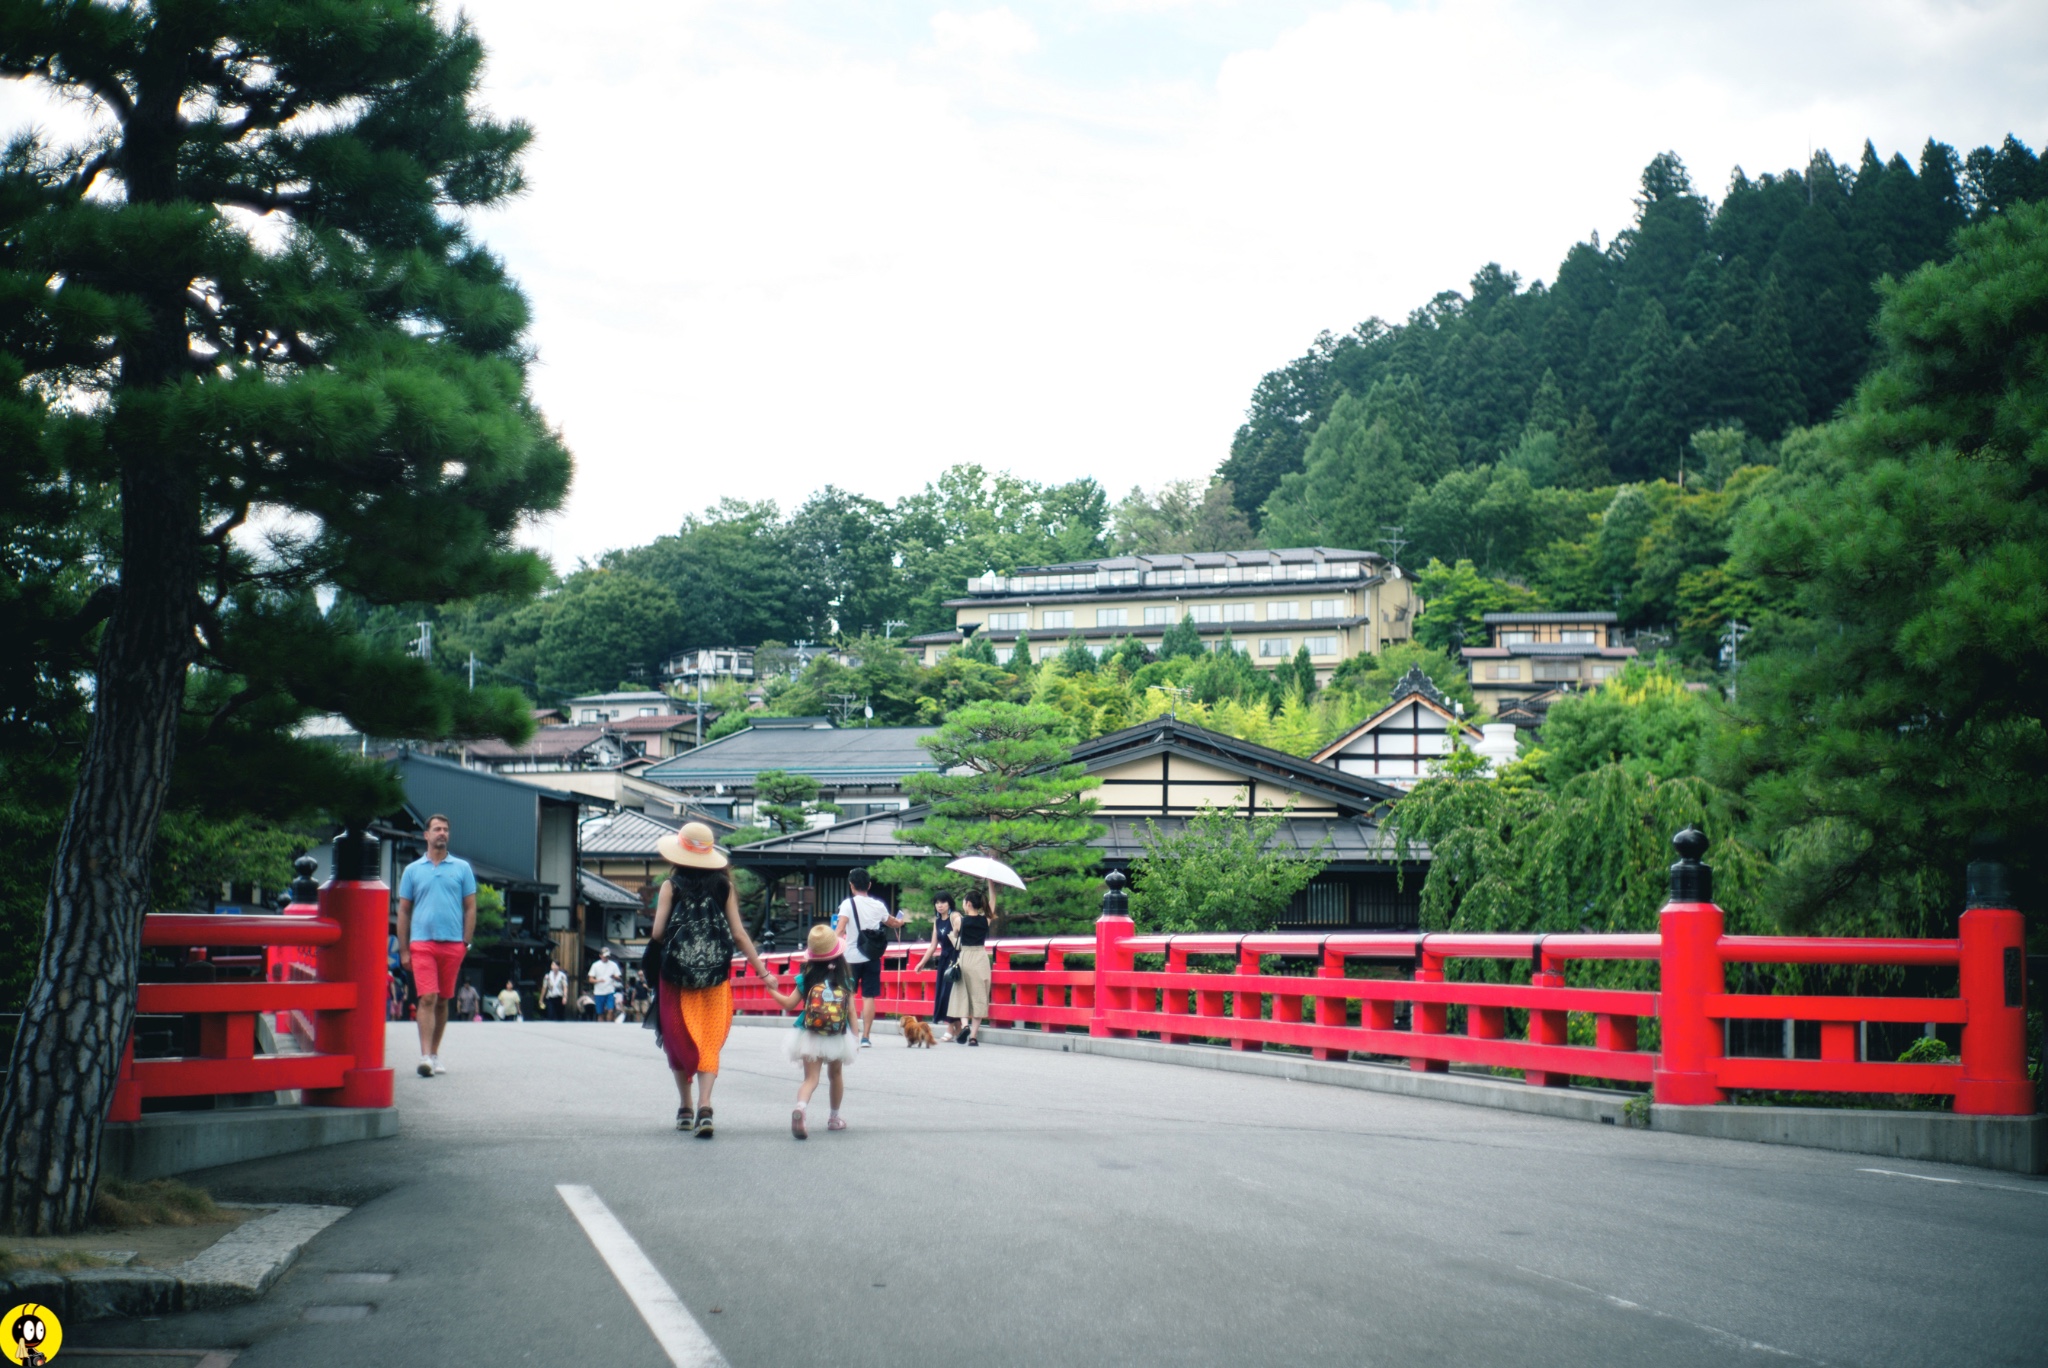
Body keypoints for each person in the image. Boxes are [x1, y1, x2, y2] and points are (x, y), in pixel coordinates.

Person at [649, 821, 771, 1138]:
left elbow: (658, 933)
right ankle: (705, 1105)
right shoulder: (723, 887)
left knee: (679, 1040)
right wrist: (763, 972)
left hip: (676, 980)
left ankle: (685, 1107)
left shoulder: (670, 887)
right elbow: (740, 935)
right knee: (709, 1039)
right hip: (715, 979)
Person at [395, 813, 477, 1077]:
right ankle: (425, 1056)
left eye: (445, 829)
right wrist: (404, 948)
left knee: (443, 1000)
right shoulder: (412, 870)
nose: (442, 833)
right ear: (426, 835)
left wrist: (466, 942)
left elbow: (470, 907)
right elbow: (404, 912)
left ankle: (435, 1053)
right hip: (422, 944)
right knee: (428, 997)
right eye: (437, 829)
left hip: (453, 944)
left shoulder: (462, 868)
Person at [761, 923, 857, 1139]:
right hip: (837, 1033)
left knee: (811, 1079)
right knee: (836, 1075)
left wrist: (771, 990)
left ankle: (801, 1108)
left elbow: (788, 1004)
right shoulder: (845, 979)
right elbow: (851, 1011)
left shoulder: (806, 978)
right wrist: (856, 1037)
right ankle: (834, 1118)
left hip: (810, 1033)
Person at [834, 867, 902, 1049]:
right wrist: (900, 921)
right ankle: (865, 1037)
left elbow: (840, 930)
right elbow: (892, 922)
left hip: (850, 958)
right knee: (869, 996)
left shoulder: (847, 904)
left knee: (848, 996)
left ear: (851, 885)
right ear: (869, 885)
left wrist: (831, 948)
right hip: (872, 957)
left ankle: (851, 1035)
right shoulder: (878, 905)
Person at [949, 885, 995, 1047]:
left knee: (962, 994)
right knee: (979, 996)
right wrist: (991, 886)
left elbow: (954, 935)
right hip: (981, 959)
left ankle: (965, 1025)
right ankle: (974, 1037)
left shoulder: (960, 921)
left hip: (966, 957)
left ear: (968, 904)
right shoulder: (985, 920)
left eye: (963, 902)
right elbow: (993, 903)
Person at [915, 893, 959, 1037]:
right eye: (937, 903)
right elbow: (933, 946)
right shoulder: (937, 921)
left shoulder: (955, 917)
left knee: (950, 994)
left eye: (943, 902)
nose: (940, 905)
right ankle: (958, 1030)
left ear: (949, 903)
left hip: (955, 959)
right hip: (944, 960)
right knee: (942, 993)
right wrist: (922, 962)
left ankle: (950, 1029)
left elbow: (960, 937)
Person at [588, 948, 623, 1021]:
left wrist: (615, 977)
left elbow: (619, 979)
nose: (606, 958)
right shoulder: (595, 965)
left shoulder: (613, 965)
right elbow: (590, 979)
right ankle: (600, 1028)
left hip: (609, 991)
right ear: (600, 956)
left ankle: (608, 1026)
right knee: (600, 1013)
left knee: (610, 1010)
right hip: (598, 992)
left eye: (607, 956)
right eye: (604, 956)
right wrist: (598, 980)